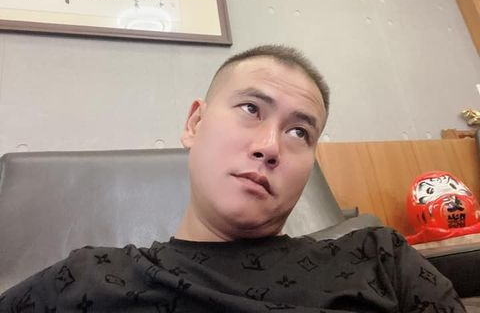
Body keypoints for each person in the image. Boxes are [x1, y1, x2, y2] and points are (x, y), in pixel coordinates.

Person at [0, 45, 465, 312]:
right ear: (195, 123)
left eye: (299, 132)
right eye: (250, 109)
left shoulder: (379, 259)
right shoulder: (89, 279)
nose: (270, 146)